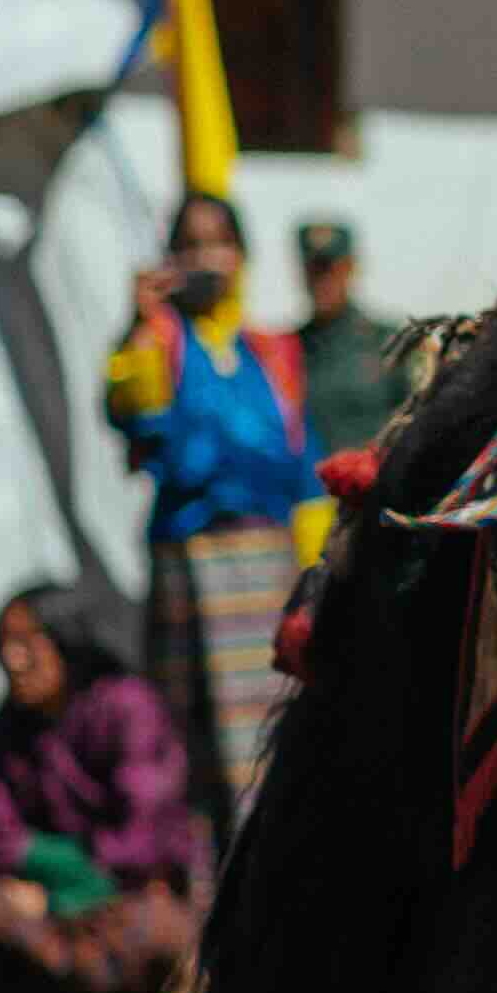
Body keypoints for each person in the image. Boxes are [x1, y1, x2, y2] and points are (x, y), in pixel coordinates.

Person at [104, 192, 319, 850]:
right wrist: (139, 322)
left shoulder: (272, 352)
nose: (206, 257)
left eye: (218, 241)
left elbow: (303, 469)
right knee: (190, 737)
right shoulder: (161, 341)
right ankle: (198, 886)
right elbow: (130, 409)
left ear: (242, 255)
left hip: (268, 565)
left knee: (268, 732)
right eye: (190, 243)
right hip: (190, 559)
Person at [0, 583, 206, 993]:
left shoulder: (127, 708)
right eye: (5, 645)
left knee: (151, 927)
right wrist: (31, 886)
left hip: (120, 903)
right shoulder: (1, 733)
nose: (13, 660)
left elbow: (144, 838)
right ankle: (68, 975)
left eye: (28, 643)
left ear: (69, 638)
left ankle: (28, 976)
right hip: (32, 913)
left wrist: (61, 890)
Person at [291, 218, 414, 467]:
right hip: (308, 498)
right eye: (314, 269)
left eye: (330, 268)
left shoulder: (389, 342)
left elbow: (413, 430)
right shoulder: (287, 349)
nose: (322, 280)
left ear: (350, 267)